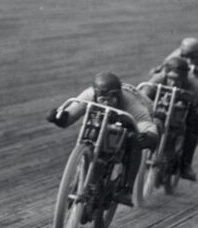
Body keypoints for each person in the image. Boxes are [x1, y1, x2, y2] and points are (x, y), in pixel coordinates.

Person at [46, 72, 158, 207]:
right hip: (102, 121)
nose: (106, 103)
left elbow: (144, 122)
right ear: (96, 94)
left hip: (129, 118)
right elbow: (71, 115)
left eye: (111, 99)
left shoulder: (130, 102)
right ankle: (86, 175)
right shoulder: (88, 95)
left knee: (133, 142)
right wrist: (59, 118)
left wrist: (149, 136)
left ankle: (126, 188)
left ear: (118, 95)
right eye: (102, 98)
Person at [139, 56, 198, 182]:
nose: (173, 83)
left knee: (192, 127)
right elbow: (144, 94)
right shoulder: (158, 78)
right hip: (161, 105)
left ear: (184, 77)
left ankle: (185, 166)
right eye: (171, 79)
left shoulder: (192, 84)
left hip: (184, 105)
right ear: (166, 73)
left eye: (178, 79)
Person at [159, 37, 198, 102]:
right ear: (181, 54)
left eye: (193, 57)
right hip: (181, 76)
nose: (189, 61)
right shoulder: (173, 57)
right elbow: (161, 70)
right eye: (185, 57)